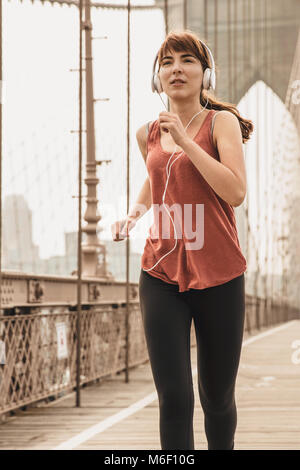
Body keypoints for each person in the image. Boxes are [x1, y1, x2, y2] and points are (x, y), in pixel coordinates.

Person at [111, 30, 253, 450]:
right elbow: (160, 179)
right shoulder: (148, 133)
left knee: (216, 397)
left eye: (187, 60)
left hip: (220, 273)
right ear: (158, 78)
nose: (177, 69)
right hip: (161, 272)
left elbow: (235, 192)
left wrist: (188, 141)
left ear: (205, 74)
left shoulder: (220, 123)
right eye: (168, 62)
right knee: (174, 397)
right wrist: (136, 212)